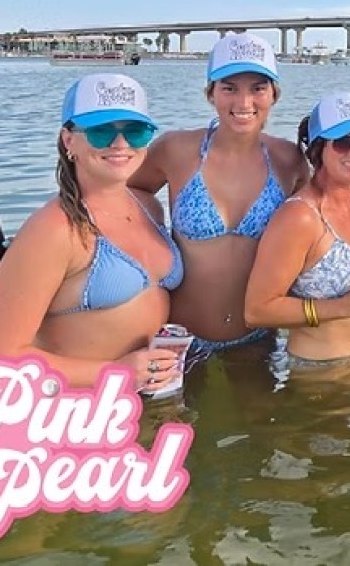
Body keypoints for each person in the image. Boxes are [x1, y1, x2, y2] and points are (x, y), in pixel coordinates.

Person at [0, 74, 184, 393]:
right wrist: (116, 373)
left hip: (149, 400)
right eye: (102, 132)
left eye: (136, 131)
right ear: (68, 140)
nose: (120, 144)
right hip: (78, 417)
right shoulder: (53, 230)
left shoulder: (148, 206)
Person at [130, 32, 304, 362]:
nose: (244, 103)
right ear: (211, 93)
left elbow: (310, 226)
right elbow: (128, 192)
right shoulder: (176, 149)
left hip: (256, 337)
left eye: (258, 88)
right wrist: (150, 238)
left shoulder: (288, 159)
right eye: (229, 88)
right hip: (180, 338)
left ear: (274, 94)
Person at [244, 92, 350, 365]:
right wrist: (343, 306)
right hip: (322, 376)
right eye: (342, 142)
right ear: (317, 148)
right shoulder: (300, 217)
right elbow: (257, 310)